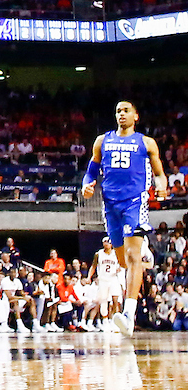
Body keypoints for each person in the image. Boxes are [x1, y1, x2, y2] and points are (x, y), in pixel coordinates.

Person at [82, 100, 168, 338]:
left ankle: (129, 314)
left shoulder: (146, 142)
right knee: (123, 261)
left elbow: (159, 173)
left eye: (126, 110)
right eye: (118, 110)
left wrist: (161, 188)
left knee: (132, 257)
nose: (121, 114)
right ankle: (142, 248)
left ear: (136, 116)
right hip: (110, 204)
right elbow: (90, 171)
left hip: (134, 201)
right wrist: (86, 186)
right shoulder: (102, 141)